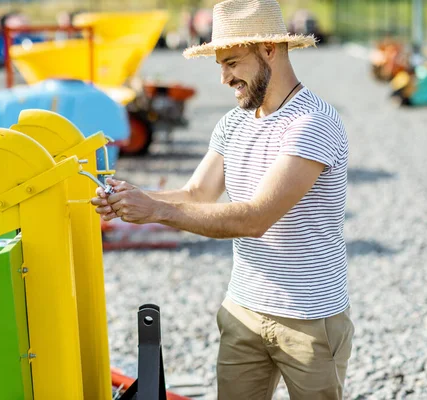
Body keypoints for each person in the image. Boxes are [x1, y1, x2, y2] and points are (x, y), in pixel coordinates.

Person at [91, 0, 354, 398]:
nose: (224, 78)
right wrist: (132, 197)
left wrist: (156, 210)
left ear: (269, 48)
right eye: (220, 65)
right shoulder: (233, 122)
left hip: (309, 318)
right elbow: (197, 193)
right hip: (242, 310)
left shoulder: (312, 122)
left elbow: (255, 218)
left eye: (231, 62)